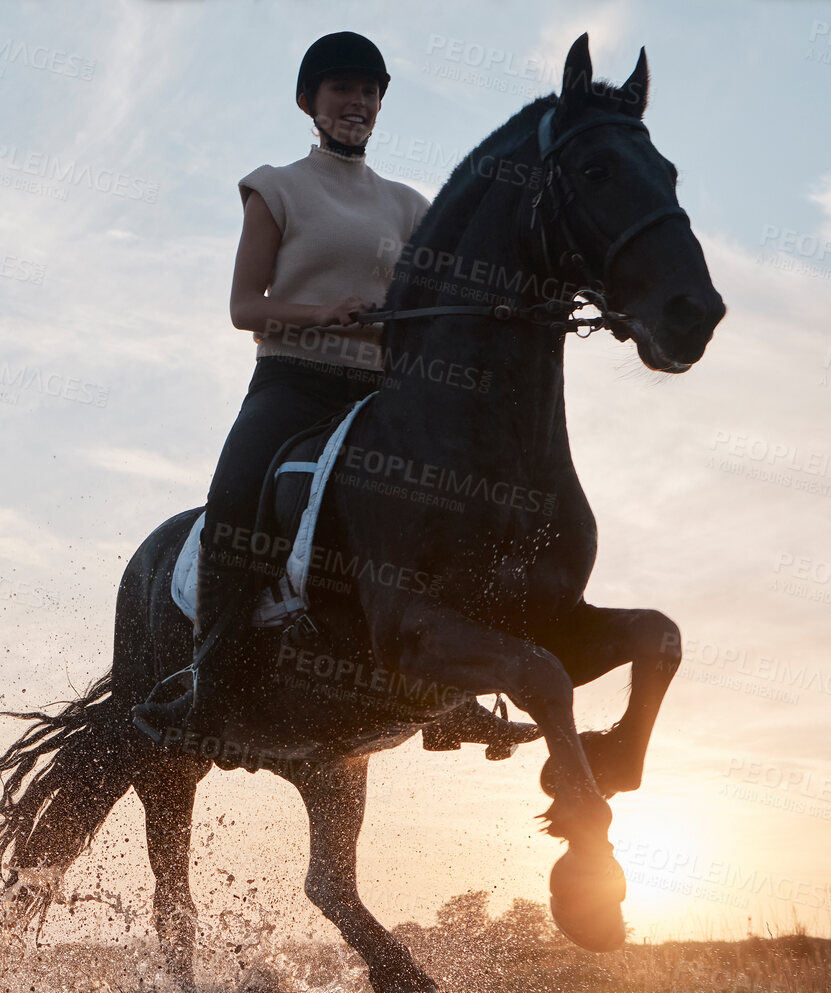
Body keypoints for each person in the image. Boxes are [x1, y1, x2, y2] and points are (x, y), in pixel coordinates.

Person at [132, 32, 536, 759]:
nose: (358, 102)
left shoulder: (412, 207)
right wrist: (321, 315)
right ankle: (207, 683)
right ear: (310, 103)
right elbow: (242, 307)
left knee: (455, 500)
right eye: (342, 89)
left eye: (369, 91)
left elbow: (440, 305)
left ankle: (454, 699)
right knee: (234, 501)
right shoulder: (275, 187)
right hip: (292, 383)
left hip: (379, 395)